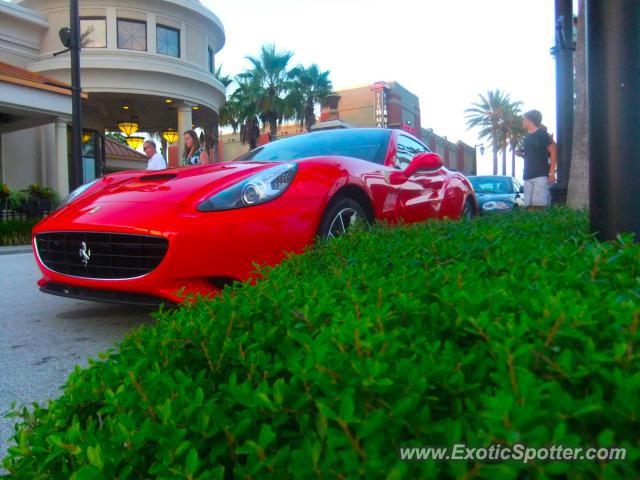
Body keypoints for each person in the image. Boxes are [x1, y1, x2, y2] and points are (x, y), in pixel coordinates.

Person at [521, 110, 557, 208]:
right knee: (528, 207)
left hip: (540, 176)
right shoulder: (527, 138)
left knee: (539, 208)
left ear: (529, 120)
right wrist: (522, 155)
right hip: (527, 176)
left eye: (524, 119)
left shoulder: (542, 134)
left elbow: (553, 151)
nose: (522, 121)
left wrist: (552, 173)